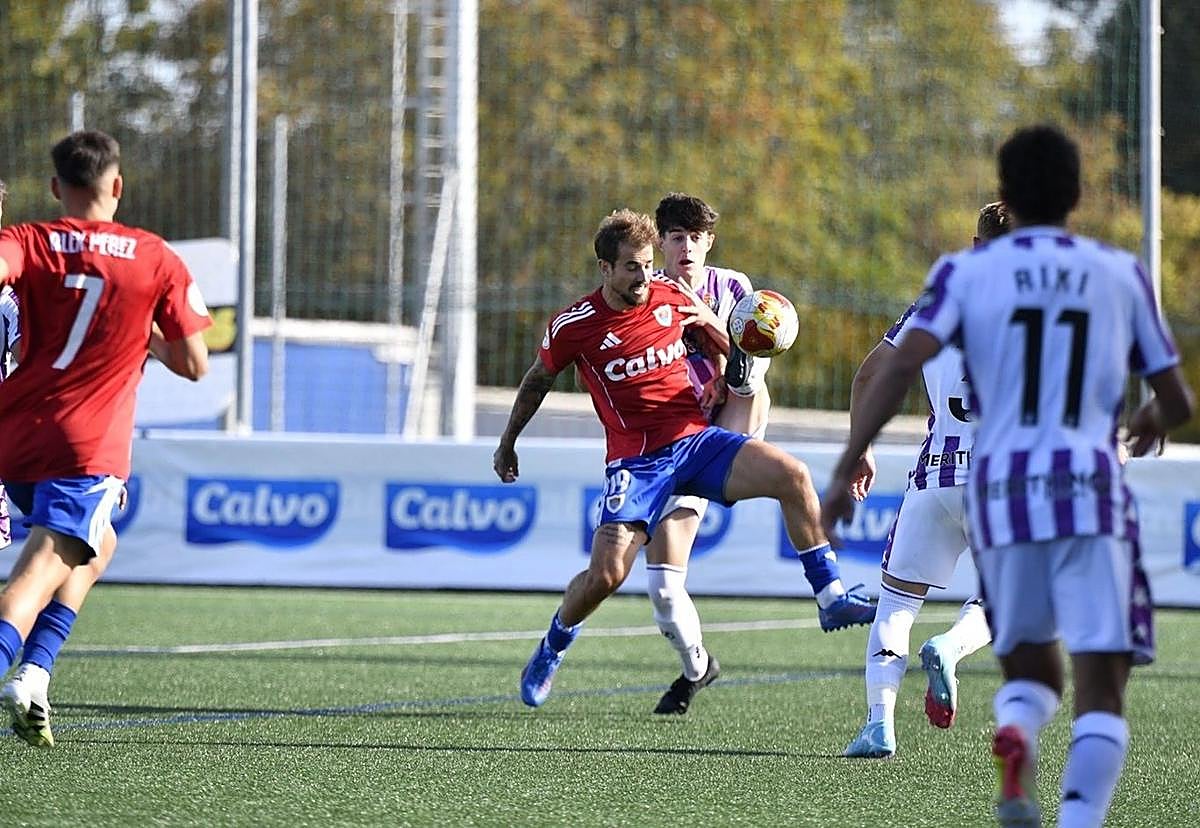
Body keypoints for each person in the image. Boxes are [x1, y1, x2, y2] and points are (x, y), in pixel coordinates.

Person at [821, 125, 1194, 826]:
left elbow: (884, 372)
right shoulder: (1108, 276)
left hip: (950, 474)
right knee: (1079, 664)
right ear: (1072, 197)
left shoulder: (952, 285)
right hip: (1048, 489)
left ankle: (885, 721)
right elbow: (1167, 398)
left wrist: (852, 458)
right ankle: (1033, 750)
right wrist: (1142, 424)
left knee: (904, 600)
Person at [494, 208, 856, 709]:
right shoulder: (574, 325)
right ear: (605, 268)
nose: (644, 277)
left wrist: (727, 359)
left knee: (793, 475)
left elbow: (725, 348)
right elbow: (538, 380)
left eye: (647, 264)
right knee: (607, 576)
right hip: (637, 463)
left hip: (696, 442)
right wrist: (508, 441)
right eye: (631, 268)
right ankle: (552, 646)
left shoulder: (672, 293)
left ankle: (830, 597)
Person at [0, 130, 212, 748]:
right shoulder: (155, 257)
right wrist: (138, 329)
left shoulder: (30, 240)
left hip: (17, 436)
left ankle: (36, 673)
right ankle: (22, 671)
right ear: (117, 185)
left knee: (99, 545)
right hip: (87, 445)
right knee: (39, 570)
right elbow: (194, 363)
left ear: (55, 187)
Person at [645, 193, 874, 715]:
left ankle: (831, 596)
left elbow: (753, 352)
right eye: (676, 238)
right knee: (663, 592)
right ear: (661, 243)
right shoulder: (648, 293)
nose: (686, 248)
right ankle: (697, 667)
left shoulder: (734, 288)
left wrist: (716, 338)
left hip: (731, 418)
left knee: (756, 400)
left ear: (709, 242)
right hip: (673, 441)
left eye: (696, 238)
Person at [843, 202, 1008, 758]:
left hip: (936, 474)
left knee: (895, 602)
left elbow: (869, 376)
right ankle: (951, 647)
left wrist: (861, 448)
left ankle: (879, 724)